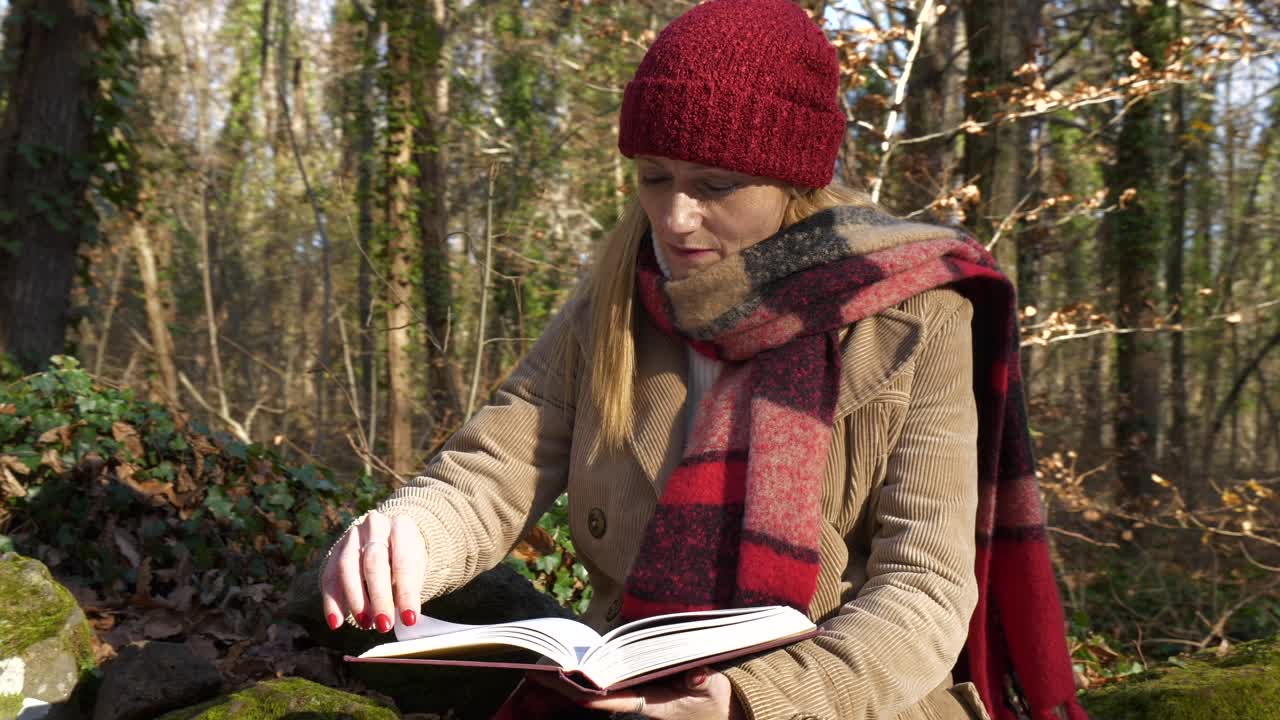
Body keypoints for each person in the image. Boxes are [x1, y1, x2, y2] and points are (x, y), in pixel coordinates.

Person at [320, 1, 1089, 719]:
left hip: (840, 700)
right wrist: (408, 536)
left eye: (714, 186)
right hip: (621, 692)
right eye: (654, 178)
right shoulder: (617, 300)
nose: (676, 216)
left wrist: (753, 701)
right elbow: (491, 473)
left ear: (792, 181)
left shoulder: (918, 313)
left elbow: (925, 589)